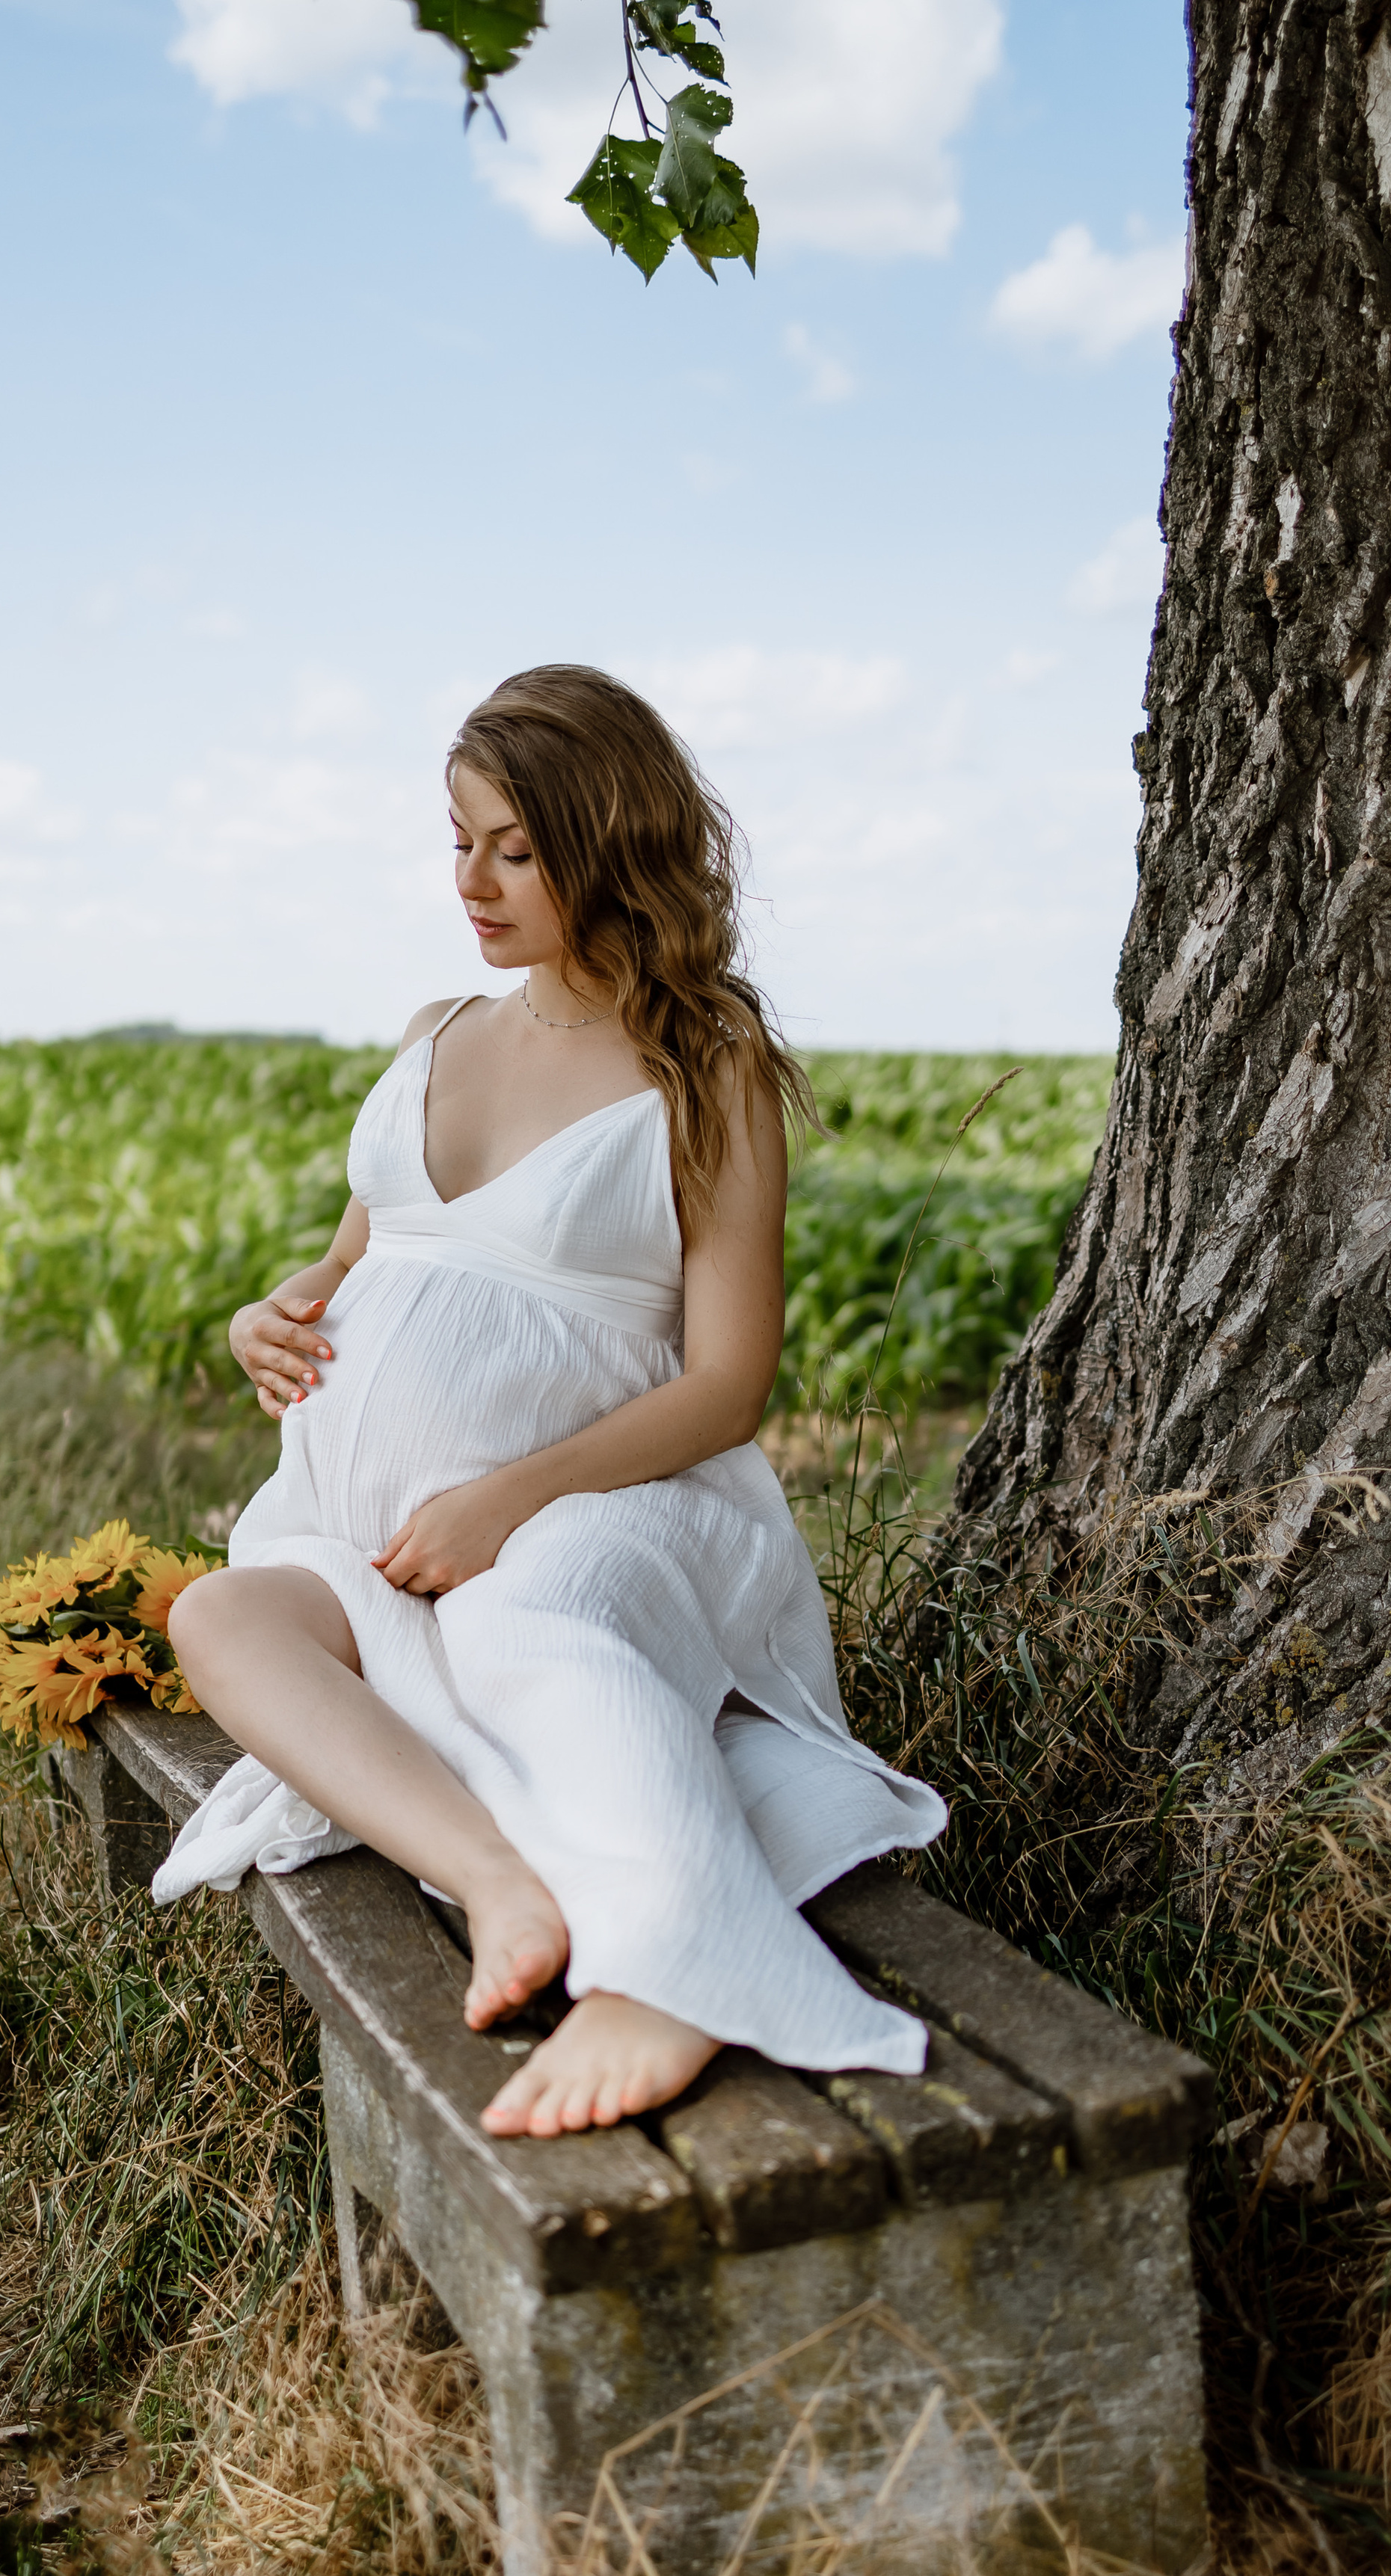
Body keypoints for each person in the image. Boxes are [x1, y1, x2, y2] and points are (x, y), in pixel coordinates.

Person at [162, 664, 946, 2136]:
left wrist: (507, 1502)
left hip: (606, 1507)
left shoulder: (701, 1064)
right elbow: (360, 1259)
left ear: (614, 844)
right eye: (455, 839)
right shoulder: (437, 1032)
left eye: (514, 849)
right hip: (368, 1537)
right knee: (218, 1615)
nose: (473, 880)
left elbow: (728, 1384)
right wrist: (262, 1317)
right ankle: (498, 1877)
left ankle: (673, 1972)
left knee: (536, 1619)